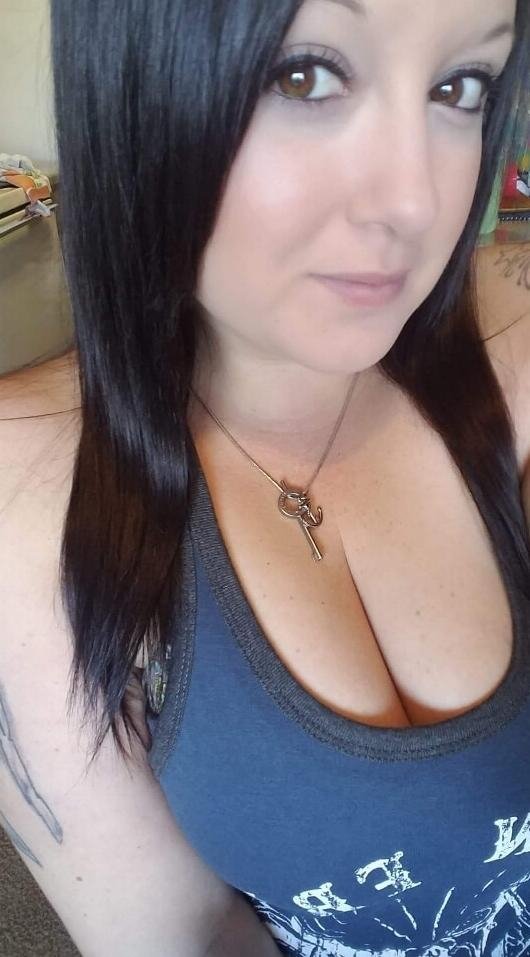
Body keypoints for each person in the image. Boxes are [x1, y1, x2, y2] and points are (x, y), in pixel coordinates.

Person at [1, 0, 530, 954]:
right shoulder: (28, 485)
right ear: (136, 79)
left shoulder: (513, 340)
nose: (414, 201)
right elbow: (185, 936)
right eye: (305, 75)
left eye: (460, 88)